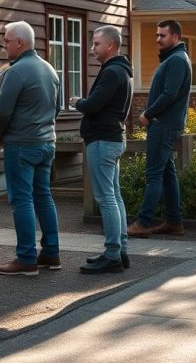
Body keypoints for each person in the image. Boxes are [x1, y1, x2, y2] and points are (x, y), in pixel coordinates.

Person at [0, 21, 62, 276]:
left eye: (7, 41)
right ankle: (51, 253)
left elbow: (3, 111)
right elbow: (57, 108)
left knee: (21, 200)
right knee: (43, 196)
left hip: (21, 144)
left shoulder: (16, 72)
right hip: (47, 143)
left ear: (20, 42)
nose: (4, 45)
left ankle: (26, 258)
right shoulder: (50, 70)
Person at [71, 25, 133, 274]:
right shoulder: (121, 70)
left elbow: (95, 104)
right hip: (113, 138)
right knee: (114, 195)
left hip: (103, 140)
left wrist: (78, 103)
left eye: (96, 44)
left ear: (110, 45)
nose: (92, 48)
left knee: (106, 197)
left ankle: (112, 254)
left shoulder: (112, 72)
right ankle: (120, 250)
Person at [127, 20, 192, 238]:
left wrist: (148, 113)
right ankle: (174, 221)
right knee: (166, 173)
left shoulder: (176, 61)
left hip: (163, 125)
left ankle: (143, 222)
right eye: (157, 35)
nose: (157, 39)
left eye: (162, 35)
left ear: (175, 37)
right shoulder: (174, 59)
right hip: (166, 124)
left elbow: (169, 94)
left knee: (153, 174)